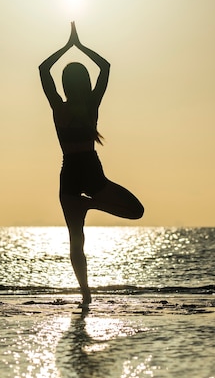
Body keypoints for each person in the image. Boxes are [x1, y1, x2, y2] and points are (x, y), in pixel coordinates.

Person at [39, 22, 144, 307]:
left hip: (70, 176)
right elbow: (106, 67)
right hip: (91, 172)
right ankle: (92, 204)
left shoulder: (58, 108)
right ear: (84, 83)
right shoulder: (91, 106)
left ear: (65, 84)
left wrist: (66, 46)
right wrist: (80, 46)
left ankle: (86, 295)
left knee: (76, 242)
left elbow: (42, 70)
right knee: (136, 211)